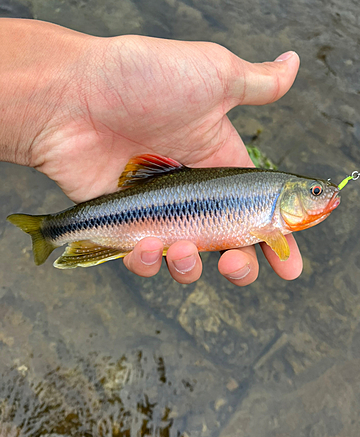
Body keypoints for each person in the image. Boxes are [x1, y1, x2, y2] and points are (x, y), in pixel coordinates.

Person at [0, 18, 302, 286]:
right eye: (314, 191)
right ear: (288, 193)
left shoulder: (270, 210)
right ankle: (50, 230)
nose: (323, 194)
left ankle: (52, 230)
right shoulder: (270, 213)